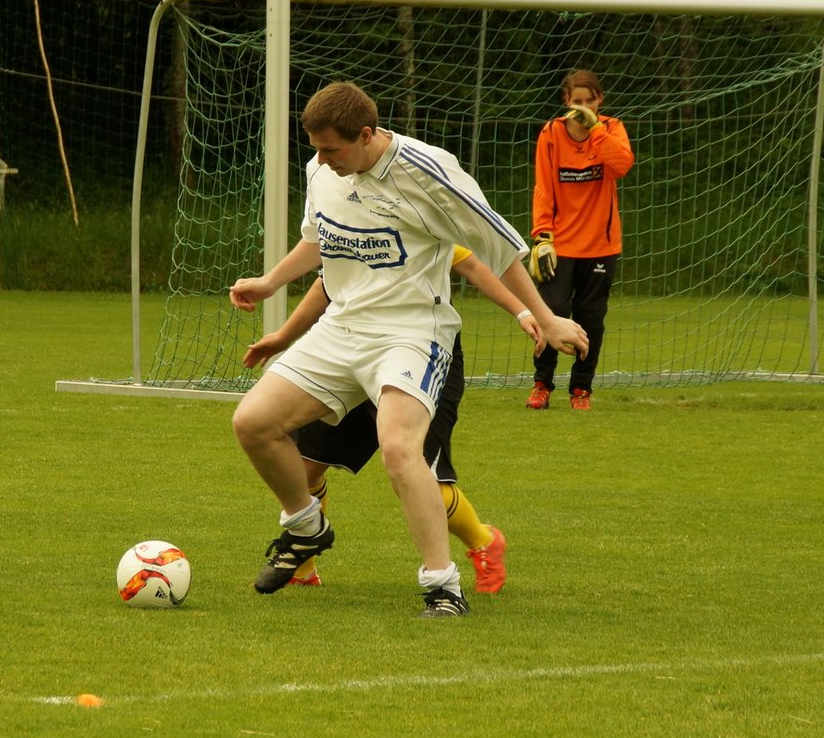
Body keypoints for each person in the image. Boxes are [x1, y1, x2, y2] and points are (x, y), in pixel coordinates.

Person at [229, 81, 588, 619]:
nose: (321, 160)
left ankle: (443, 586)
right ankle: (305, 527)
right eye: (316, 149)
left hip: (412, 332)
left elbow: (499, 248)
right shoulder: (322, 171)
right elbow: (318, 241)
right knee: (253, 422)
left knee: (399, 450)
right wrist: (269, 282)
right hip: (342, 326)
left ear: (366, 134)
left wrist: (544, 314)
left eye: (331, 149)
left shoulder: (429, 171)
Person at [243, 247, 539, 595]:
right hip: (349, 347)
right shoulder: (348, 226)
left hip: (420, 350)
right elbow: (327, 283)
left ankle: (483, 541)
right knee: (303, 467)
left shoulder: (419, 221)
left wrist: (524, 312)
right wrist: (283, 336)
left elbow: (473, 264)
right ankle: (304, 568)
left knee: (415, 474)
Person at [525, 69, 635, 411]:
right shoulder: (552, 133)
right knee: (552, 312)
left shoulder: (612, 129)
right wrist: (542, 236)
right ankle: (542, 384)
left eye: (590, 101)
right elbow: (544, 186)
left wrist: (596, 129)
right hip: (560, 245)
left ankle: (581, 389)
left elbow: (621, 165)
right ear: (566, 101)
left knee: (591, 318)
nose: (584, 107)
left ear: (600, 99)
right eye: (577, 101)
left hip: (601, 246)